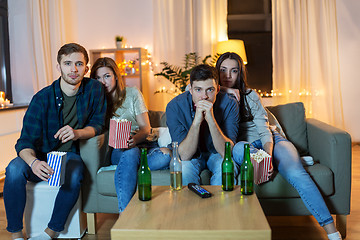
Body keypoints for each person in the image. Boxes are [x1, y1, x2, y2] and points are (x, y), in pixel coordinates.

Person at [216, 52, 342, 240]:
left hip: (270, 140)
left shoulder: (250, 96)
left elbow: (264, 130)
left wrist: (267, 155)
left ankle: (333, 233)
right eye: (223, 70)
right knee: (237, 149)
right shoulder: (211, 95)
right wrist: (224, 91)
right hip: (245, 146)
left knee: (297, 173)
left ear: (240, 73)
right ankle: (282, 160)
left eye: (233, 71)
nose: (228, 76)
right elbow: (189, 88)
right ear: (216, 72)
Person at [3, 43, 107, 240]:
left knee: (75, 174)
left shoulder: (95, 90)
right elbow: (24, 142)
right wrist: (33, 162)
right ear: (58, 67)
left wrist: (77, 133)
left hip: (70, 155)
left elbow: (98, 124)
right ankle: (16, 234)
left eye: (78, 64)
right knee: (14, 170)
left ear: (86, 67)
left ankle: (50, 232)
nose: (73, 69)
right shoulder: (41, 99)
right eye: (67, 63)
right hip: (40, 155)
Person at [90, 57, 171, 213]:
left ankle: (134, 166)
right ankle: (125, 215)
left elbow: (146, 128)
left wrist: (134, 140)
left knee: (167, 155)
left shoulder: (132, 93)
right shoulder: (96, 102)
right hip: (120, 151)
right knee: (131, 153)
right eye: (98, 78)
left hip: (145, 146)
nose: (103, 82)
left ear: (115, 76)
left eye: (107, 76)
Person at [166, 64, 240, 185]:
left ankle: (221, 204)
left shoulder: (230, 104)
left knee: (228, 167)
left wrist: (211, 120)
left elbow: (227, 152)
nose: (204, 96)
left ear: (218, 89)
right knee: (183, 170)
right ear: (190, 89)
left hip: (216, 154)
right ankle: (191, 204)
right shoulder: (175, 106)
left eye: (210, 90)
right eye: (198, 90)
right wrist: (196, 121)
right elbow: (184, 155)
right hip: (192, 157)